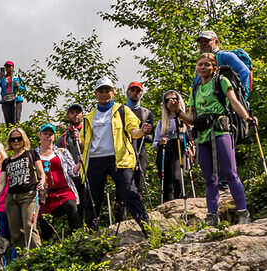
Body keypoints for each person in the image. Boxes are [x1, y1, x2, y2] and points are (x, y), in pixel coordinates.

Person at [187, 51, 257, 225]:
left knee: (230, 173)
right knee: (210, 178)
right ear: (196, 68)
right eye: (200, 64)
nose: (203, 67)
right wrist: (176, 111)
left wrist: (246, 117)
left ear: (214, 67)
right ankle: (212, 216)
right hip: (202, 135)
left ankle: (243, 212)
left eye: (207, 64)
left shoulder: (221, 81)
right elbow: (190, 117)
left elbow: (233, 102)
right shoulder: (195, 89)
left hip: (221, 130)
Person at [78, 78, 148, 228]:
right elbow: (84, 143)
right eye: (101, 91)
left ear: (113, 92)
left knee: (129, 191)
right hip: (95, 159)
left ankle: (146, 226)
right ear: (96, 94)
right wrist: (77, 142)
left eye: (107, 90)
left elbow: (133, 130)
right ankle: (91, 234)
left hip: (119, 158)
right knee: (92, 199)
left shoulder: (122, 110)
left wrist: (141, 131)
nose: (104, 94)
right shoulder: (89, 117)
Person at [0, 126, 42, 253]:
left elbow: (41, 173)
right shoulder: (6, 161)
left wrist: (42, 182)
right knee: (15, 231)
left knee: (29, 226)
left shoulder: (31, 153)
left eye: (19, 138)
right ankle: (21, 259)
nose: (16, 141)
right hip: (12, 198)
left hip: (29, 195)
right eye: (13, 139)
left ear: (24, 139)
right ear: (9, 141)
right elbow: (2, 182)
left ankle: (37, 257)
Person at [117, 81, 155, 221]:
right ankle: (121, 218)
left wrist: (145, 132)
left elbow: (152, 136)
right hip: (124, 152)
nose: (135, 93)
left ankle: (137, 218)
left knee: (138, 184)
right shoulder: (120, 111)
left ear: (141, 93)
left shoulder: (146, 113)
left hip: (140, 152)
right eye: (132, 90)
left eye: (138, 91)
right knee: (122, 185)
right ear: (127, 92)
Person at [35, 122, 80, 238]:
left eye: (51, 134)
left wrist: (80, 163)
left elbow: (72, 171)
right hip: (45, 194)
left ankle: (78, 238)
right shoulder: (34, 154)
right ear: (40, 135)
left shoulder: (62, 152)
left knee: (72, 206)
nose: (48, 136)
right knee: (45, 225)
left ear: (54, 136)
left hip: (64, 190)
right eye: (45, 134)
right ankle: (48, 250)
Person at [154, 89, 189, 203]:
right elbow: (154, 143)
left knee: (177, 178)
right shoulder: (162, 122)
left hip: (179, 149)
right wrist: (160, 142)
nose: (172, 101)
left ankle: (179, 205)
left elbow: (192, 136)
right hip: (164, 151)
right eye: (168, 100)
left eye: (175, 98)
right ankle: (167, 208)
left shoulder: (185, 119)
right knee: (166, 182)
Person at [195, 30, 251, 97]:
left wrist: (240, 97)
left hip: (227, 104)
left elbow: (245, 72)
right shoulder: (201, 63)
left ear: (216, 42)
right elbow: (196, 85)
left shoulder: (225, 56)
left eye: (206, 41)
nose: (203, 44)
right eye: (200, 42)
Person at [59, 101, 91, 209]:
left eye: (78, 112)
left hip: (89, 170)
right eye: (72, 112)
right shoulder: (63, 138)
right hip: (74, 175)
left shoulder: (89, 131)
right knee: (78, 203)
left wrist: (79, 140)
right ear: (67, 116)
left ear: (82, 115)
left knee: (91, 200)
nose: (75, 114)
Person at [0, 61, 26, 126]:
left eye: (9, 66)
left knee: (16, 121)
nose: (7, 68)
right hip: (5, 101)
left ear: (13, 67)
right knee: (8, 123)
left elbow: (24, 89)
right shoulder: (2, 78)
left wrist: (18, 86)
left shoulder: (17, 77)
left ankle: (17, 134)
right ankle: (9, 134)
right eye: (6, 67)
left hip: (16, 100)